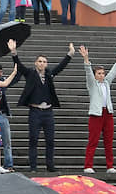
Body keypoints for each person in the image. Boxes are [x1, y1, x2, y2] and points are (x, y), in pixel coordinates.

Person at [11, 39, 74, 172]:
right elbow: (20, 66)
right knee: (33, 139)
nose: (42, 64)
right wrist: (14, 52)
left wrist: (70, 54)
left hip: (48, 112)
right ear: (35, 63)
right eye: (40, 61)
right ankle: (33, 167)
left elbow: (60, 67)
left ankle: (50, 165)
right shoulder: (30, 74)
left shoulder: (49, 74)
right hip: (35, 111)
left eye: (44, 62)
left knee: (50, 140)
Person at [80, 44, 116, 174]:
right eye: (99, 73)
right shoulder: (92, 85)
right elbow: (88, 72)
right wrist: (86, 59)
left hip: (108, 113)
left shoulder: (106, 82)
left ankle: (110, 166)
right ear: (95, 75)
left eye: (102, 73)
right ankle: (88, 165)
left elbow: (114, 71)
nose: (101, 75)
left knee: (108, 141)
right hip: (96, 114)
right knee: (93, 140)